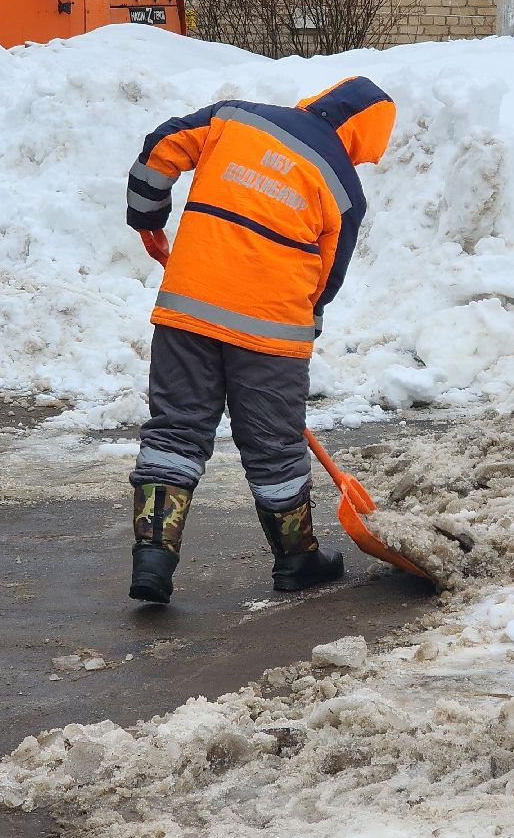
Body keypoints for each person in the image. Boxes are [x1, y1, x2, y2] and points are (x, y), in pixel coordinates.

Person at [124, 76, 396, 605]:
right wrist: (304, 325)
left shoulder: (236, 117)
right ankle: (297, 559)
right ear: (362, 139)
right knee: (274, 447)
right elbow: (326, 278)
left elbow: (162, 148)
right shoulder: (344, 188)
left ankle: (153, 559)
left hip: (188, 311)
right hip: (272, 332)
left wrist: (147, 216)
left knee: (175, 431)